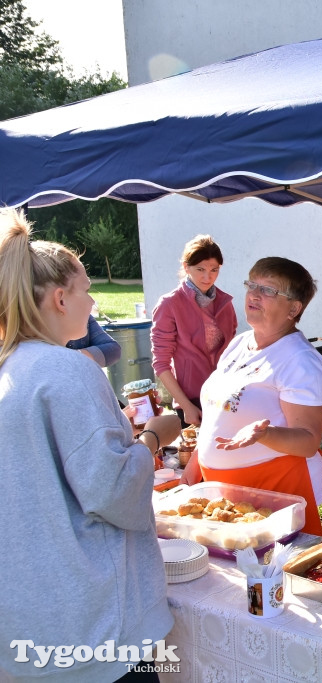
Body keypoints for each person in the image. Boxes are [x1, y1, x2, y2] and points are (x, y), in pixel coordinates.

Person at [0, 208, 181, 682]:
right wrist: (152, 438)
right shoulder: (67, 369)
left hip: (28, 617)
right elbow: (114, 494)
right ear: (60, 298)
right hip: (93, 626)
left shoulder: (10, 370)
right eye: (86, 290)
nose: (94, 303)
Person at [188, 257, 322, 535]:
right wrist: (195, 465)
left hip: (274, 489)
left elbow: (308, 441)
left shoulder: (300, 361)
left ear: (294, 308)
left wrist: (265, 434)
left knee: (271, 575)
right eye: (252, 284)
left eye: (268, 290)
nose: (254, 294)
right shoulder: (241, 342)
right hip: (223, 488)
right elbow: (217, 412)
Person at [151, 235, 237, 427]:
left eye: (214, 270)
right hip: (191, 400)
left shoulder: (225, 303)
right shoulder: (169, 304)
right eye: (200, 269)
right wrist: (186, 406)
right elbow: (161, 364)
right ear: (185, 267)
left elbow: (233, 352)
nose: (208, 277)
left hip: (225, 396)